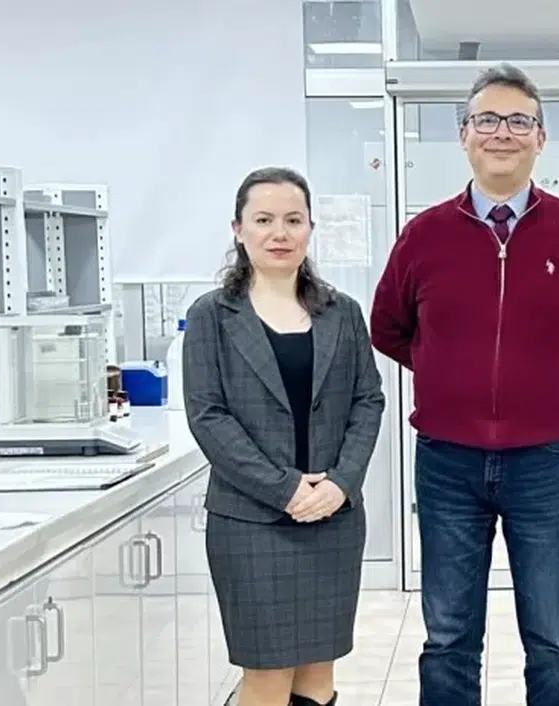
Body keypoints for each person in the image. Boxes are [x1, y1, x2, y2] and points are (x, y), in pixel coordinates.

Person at [370, 63, 559, 706]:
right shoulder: (424, 234)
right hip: (447, 461)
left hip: (547, 462)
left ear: (540, 139)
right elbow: (388, 327)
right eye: (487, 119)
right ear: (464, 135)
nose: (502, 132)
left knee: (552, 637)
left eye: (519, 121)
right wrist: (446, 370)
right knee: (448, 637)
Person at [182, 167, 386, 706]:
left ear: (310, 229)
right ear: (238, 229)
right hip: (252, 523)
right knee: (268, 676)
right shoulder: (212, 317)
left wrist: (340, 484)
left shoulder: (342, 312)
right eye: (264, 220)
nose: (280, 233)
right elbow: (208, 416)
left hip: (333, 519)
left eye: (293, 220)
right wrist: (286, 488)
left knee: (317, 678)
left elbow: (368, 400)